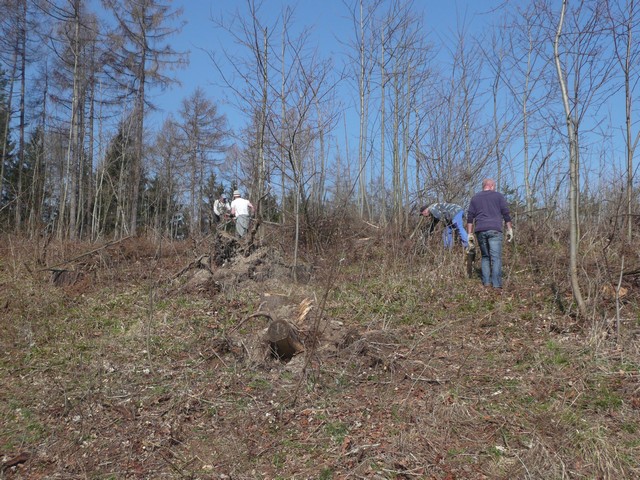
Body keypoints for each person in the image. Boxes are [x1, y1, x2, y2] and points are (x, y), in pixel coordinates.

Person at [466, 178, 513, 290]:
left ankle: (486, 283)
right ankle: (496, 284)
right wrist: (509, 229)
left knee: (485, 257)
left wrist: (469, 234)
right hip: (495, 230)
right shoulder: (498, 196)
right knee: (496, 258)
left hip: (480, 230)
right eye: (494, 186)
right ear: (491, 186)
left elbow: (470, 217)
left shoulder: (475, 198)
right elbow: (506, 213)